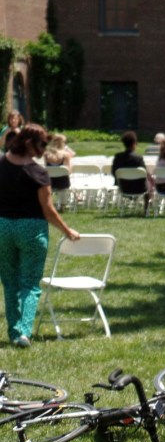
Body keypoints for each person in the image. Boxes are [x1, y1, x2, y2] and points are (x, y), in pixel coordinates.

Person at [0, 123, 80, 347]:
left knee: (10, 282)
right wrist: (68, 231)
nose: (44, 149)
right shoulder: (38, 172)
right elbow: (49, 211)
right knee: (30, 283)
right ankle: (24, 332)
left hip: (3, 228)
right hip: (32, 230)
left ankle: (14, 333)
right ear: (28, 143)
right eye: (42, 144)